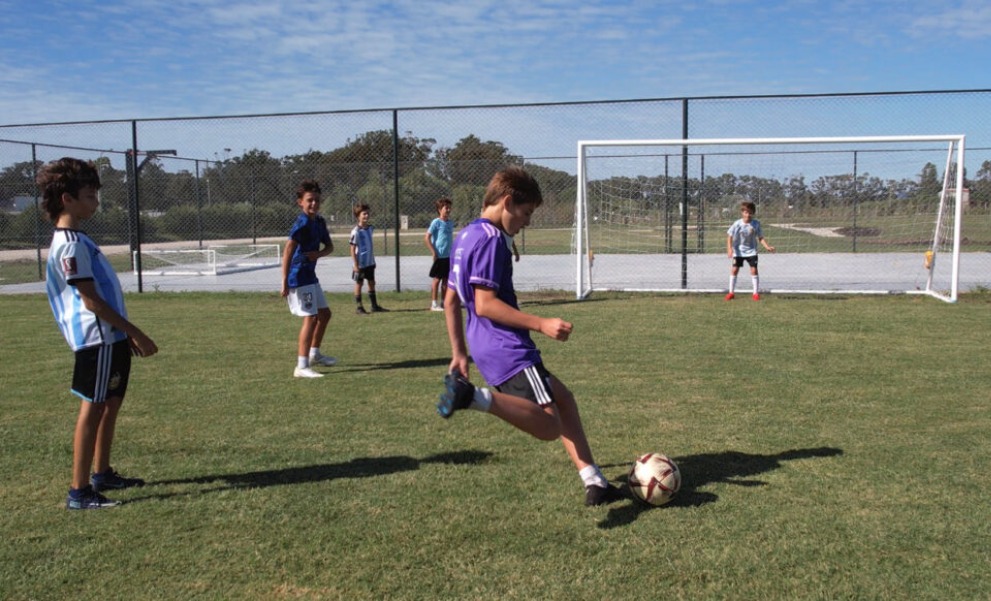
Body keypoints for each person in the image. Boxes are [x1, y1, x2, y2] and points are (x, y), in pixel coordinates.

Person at [437, 166, 624, 507]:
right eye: (525, 213)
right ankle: (474, 398)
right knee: (550, 425)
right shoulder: (492, 239)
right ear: (507, 202)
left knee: (563, 399)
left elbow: (450, 300)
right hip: (507, 347)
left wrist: (459, 353)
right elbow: (485, 304)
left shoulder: (465, 236)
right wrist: (541, 323)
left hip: (484, 345)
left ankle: (594, 480)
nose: (527, 222)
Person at [39, 157, 159, 510]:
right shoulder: (70, 244)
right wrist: (135, 332)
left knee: (110, 404)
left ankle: (102, 473)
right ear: (67, 199)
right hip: (98, 339)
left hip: (111, 337)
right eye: (90, 195)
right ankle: (79, 492)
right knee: (92, 409)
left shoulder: (79, 238)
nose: (95, 202)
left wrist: (123, 333)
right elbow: (90, 300)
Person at [281, 179, 337, 378]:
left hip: (310, 276)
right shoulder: (302, 223)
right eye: (309, 200)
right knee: (311, 317)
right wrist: (284, 280)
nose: (314, 203)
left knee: (325, 314)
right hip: (299, 276)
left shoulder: (319, 222)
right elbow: (288, 250)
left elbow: (330, 247)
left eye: (317, 200)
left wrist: (318, 254)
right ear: (300, 202)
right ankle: (302, 366)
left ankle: (314, 354)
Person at [726, 201, 775, 301]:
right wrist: (730, 249)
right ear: (742, 212)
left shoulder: (756, 224)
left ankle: (755, 294)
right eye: (746, 212)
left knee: (754, 270)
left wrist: (767, 246)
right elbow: (729, 236)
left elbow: (760, 237)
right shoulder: (737, 224)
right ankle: (731, 293)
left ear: (753, 213)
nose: (748, 215)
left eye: (750, 213)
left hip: (751, 251)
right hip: (738, 251)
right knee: (734, 270)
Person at [349, 203, 386, 314]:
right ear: (358, 216)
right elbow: (352, 249)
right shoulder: (356, 231)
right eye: (364, 214)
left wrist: (372, 260)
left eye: (368, 213)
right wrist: (355, 265)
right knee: (359, 283)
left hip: (370, 262)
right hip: (360, 264)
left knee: (371, 282)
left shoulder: (370, 228)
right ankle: (359, 307)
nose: (366, 216)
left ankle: (374, 306)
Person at [424, 197, 454, 311]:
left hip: (448, 256)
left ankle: (444, 303)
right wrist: (434, 252)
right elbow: (427, 237)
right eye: (446, 208)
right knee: (437, 280)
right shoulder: (436, 222)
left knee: (446, 280)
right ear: (440, 209)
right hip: (439, 257)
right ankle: (434, 304)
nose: (448, 210)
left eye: (449, 208)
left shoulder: (450, 223)